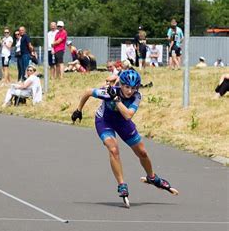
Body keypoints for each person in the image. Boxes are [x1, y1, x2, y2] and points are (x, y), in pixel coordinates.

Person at [71, 69, 178, 207]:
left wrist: (116, 99)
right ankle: (122, 184)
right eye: (127, 87)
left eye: (133, 88)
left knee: (142, 152)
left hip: (123, 121)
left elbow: (128, 115)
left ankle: (152, 177)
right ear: (121, 84)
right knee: (113, 149)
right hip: (105, 121)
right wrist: (79, 109)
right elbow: (88, 92)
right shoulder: (109, 92)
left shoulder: (136, 96)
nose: (130, 91)